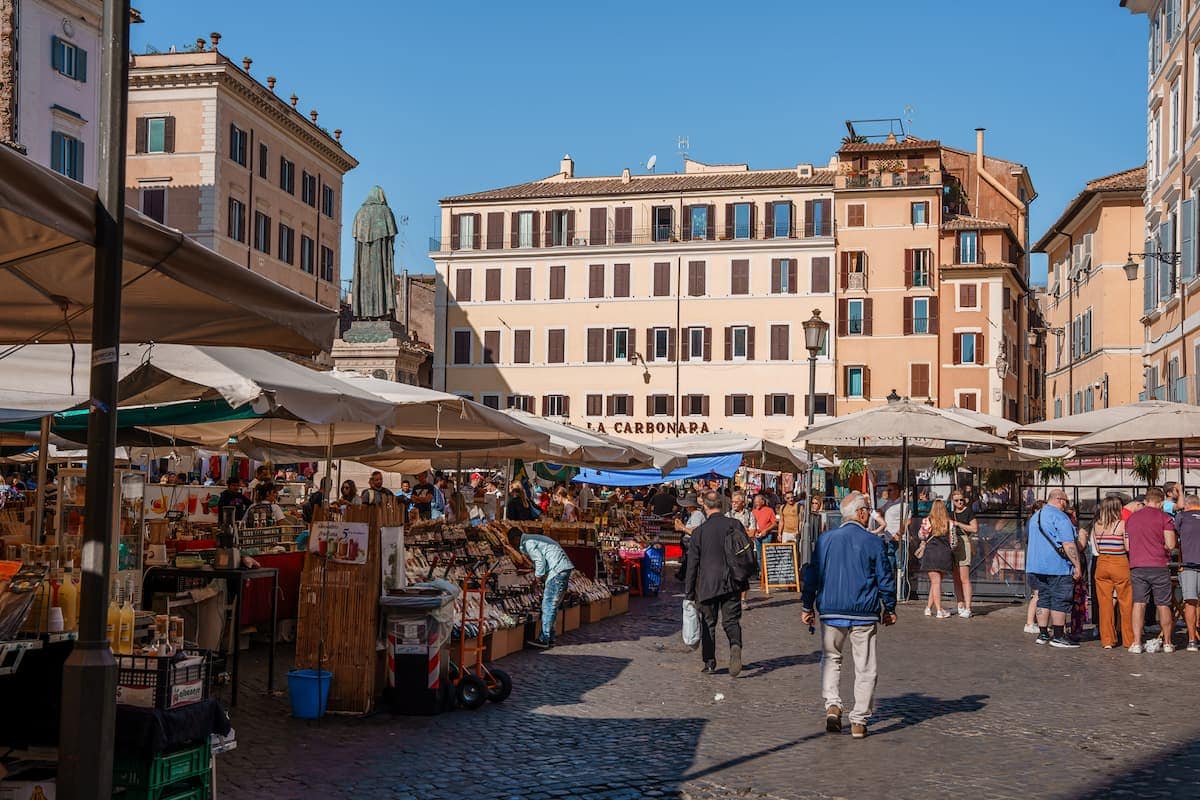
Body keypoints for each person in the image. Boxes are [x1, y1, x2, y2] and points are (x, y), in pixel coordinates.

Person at [801, 491, 897, 739]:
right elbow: (885, 578)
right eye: (867, 512)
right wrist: (890, 607)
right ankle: (859, 720)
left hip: (831, 610)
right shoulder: (873, 542)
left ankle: (832, 704)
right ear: (862, 513)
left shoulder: (825, 540)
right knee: (865, 666)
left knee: (831, 658)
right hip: (863, 611)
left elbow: (812, 574)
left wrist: (806, 606)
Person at [684, 491, 748, 676]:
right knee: (731, 620)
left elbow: (692, 566)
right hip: (732, 581)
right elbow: (744, 552)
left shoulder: (700, 532)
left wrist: (689, 593)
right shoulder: (734, 524)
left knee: (708, 623)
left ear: (705, 506)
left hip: (708, 583)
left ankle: (710, 663)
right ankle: (735, 645)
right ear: (722, 504)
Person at [1026, 489, 1082, 648]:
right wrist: (1077, 565)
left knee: (1043, 598)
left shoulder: (1035, 517)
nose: (1066, 504)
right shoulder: (1060, 517)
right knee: (1060, 600)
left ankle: (1043, 633)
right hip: (1057, 566)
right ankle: (1058, 635)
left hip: (1036, 566)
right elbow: (1068, 544)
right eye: (1066, 501)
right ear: (1060, 500)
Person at [1125, 487, 1178, 653]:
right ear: (1161, 501)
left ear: (1146, 500)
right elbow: (1171, 545)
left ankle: (1136, 642)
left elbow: (1127, 545)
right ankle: (1168, 642)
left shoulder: (1132, 518)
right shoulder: (1165, 518)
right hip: (1158, 565)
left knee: (1139, 603)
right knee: (1163, 604)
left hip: (1137, 565)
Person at [508, 527, 574, 649]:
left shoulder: (528, 542)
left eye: (512, 543)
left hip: (557, 570)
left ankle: (544, 638)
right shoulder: (531, 539)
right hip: (561, 568)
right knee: (552, 606)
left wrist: (536, 580)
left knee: (548, 605)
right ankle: (550, 638)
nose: (514, 546)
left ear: (516, 539)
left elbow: (540, 561)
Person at [1090, 495, 1135, 650]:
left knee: (1105, 604)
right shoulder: (1122, 525)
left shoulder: (1097, 525)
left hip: (1102, 563)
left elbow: (1096, 546)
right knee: (1126, 602)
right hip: (1120, 562)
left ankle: (1107, 640)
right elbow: (1128, 547)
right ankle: (1129, 639)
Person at [918, 499, 954, 618]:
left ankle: (938, 610)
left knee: (935, 582)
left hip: (931, 553)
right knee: (936, 583)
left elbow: (922, 535)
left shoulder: (927, 521)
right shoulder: (949, 522)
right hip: (944, 554)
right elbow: (953, 541)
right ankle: (928, 608)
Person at [948, 490, 979, 618]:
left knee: (964, 577)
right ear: (952, 501)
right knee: (956, 577)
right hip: (953, 543)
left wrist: (958, 524)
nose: (959, 502)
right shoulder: (951, 513)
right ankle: (960, 604)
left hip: (963, 543)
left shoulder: (968, 511)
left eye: (961, 499)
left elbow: (974, 528)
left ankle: (968, 607)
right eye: (956, 500)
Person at [1176, 494, 1200, 652]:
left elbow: (1173, 537)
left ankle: (1192, 639)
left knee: (1190, 601)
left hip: (1188, 564)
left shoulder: (1181, 516)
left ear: (1187, 505)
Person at [750, 494, 778, 563]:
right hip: (757, 535)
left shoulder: (769, 510)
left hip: (767, 535)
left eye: (758, 502)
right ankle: (761, 571)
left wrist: (766, 530)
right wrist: (755, 532)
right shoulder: (753, 511)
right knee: (759, 555)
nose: (756, 504)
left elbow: (774, 524)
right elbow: (752, 524)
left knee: (766, 554)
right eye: (755, 502)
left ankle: (766, 570)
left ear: (762, 502)